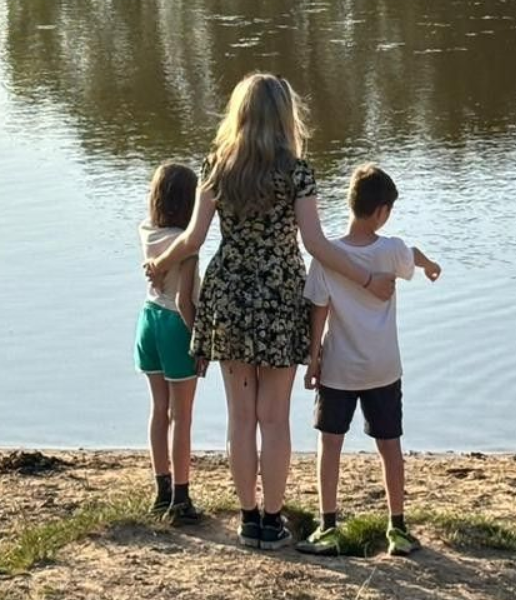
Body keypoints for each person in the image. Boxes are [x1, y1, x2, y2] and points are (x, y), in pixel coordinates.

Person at [143, 73, 394, 550]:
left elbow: (194, 239)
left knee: (241, 418)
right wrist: (364, 277)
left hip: (230, 294)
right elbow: (315, 243)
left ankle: (249, 519)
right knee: (274, 418)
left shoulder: (217, 166)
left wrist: (159, 262)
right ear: (284, 115)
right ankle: (274, 521)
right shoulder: (297, 171)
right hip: (279, 295)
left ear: (238, 113)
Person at [296, 164, 440, 557]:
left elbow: (319, 312)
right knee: (390, 445)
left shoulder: (327, 256)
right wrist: (428, 266)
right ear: (382, 211)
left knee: (330, 444)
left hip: (339, 368)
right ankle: (398, 527)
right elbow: (412, 254)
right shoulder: (390, 250)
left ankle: (327, 526)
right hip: (383, 368)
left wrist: (312, 359)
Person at [134, 162, 205, 524]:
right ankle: (181, 495)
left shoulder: (147, 232)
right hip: (176, 325)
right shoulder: (186, 246)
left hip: (147, 321)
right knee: (183, 416)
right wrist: (200, 341)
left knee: (158, 410)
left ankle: (160, 489)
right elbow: (183, 301)